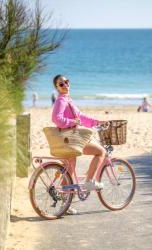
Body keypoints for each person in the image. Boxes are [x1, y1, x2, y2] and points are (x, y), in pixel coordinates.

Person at [51, 75, 107, 215]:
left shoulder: (68, 100)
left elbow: (81, 117)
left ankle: (66, 205)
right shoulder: (61, 100)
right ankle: (89, 181)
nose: (65, 85)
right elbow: (56, 119)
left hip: (68, 139)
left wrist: (97, 122)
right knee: (100, 152)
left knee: (68, 171)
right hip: (71, 139)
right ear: (57, 88)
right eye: (61, 84)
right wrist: (72, 123)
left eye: (66, 81)